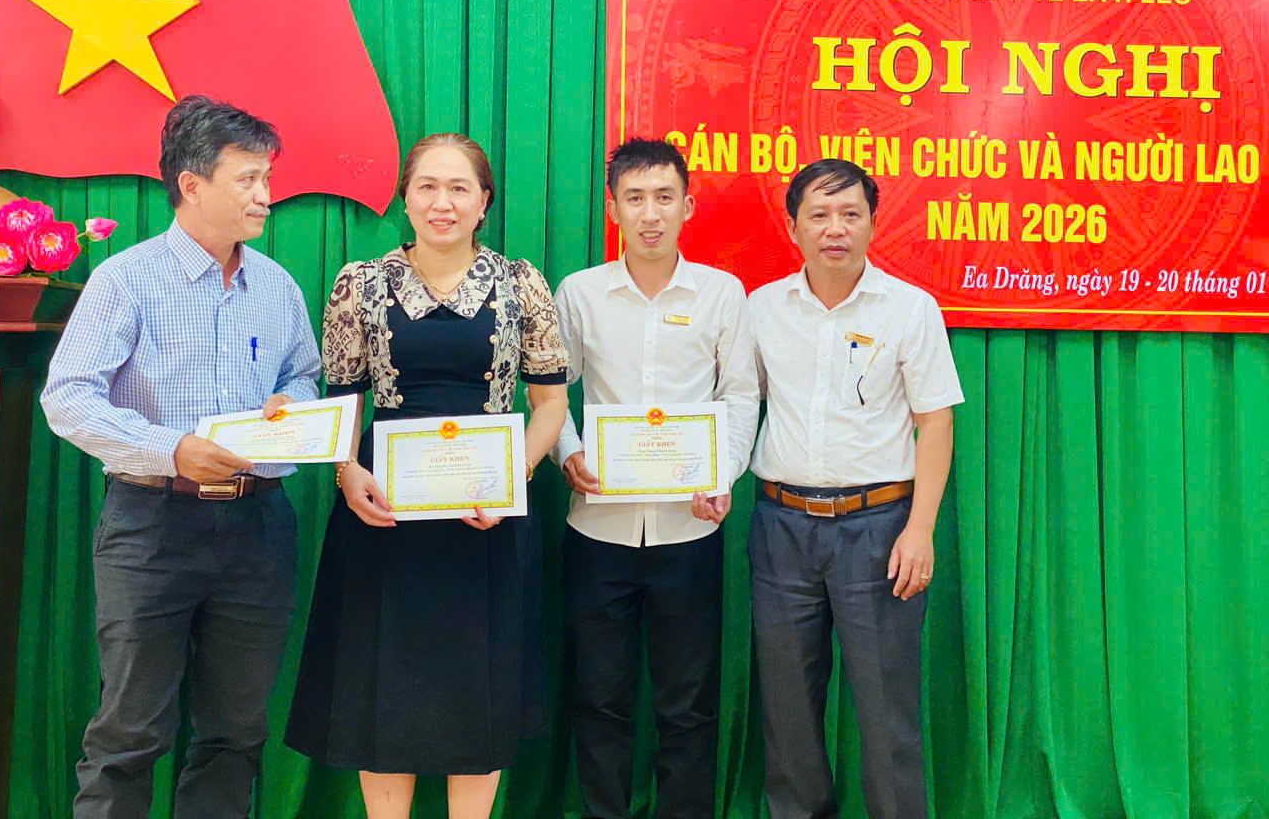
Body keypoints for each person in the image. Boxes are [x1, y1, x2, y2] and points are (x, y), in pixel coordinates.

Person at [40, 96, 322, 819]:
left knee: (236, 733)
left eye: (267, 178)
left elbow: (303, 375)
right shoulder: (125, 280)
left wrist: (290, 403)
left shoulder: (278, 287)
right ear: (191, 185)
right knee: (130, 730)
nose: (265, 196)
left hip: (259, 527)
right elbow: (67, 398)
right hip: (152, 525)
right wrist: (171, 450)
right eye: (248, 179)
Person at [283, 133, 570, 819]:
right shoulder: (360, 283)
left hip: (487, 519)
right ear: (406, 200)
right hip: (383, 517)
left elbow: (551, 404)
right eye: (427, 187)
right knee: (384, 687)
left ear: (484, 203)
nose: (443, 202)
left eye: (459, 188)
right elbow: (343, 401)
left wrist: (513, 479)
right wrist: (346, 473)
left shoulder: (520, 283)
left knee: (479, 688)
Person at [747, 158, 964, 819]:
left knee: (886, 707)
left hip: (880, 530)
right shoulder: (761, 308)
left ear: (873, 223)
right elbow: (738, 406)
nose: (834, 228)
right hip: (782, 526)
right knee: (787, 708)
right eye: (818, 214)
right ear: (793, 227)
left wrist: (920, 529)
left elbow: (935, 422)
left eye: (850, 214)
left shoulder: (910, 309)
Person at [550, 138, 759, 819]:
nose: (650, 214)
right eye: (634, 198)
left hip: (688, 530)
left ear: (687, 206)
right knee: (599, 698)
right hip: (598, 530)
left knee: (688, 704)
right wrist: (567, 453)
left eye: (664, 197)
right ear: (612, 208)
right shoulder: (580, 293)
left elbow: (740, 395)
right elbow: (550, 393)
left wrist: (724, 474)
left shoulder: (722, 294)